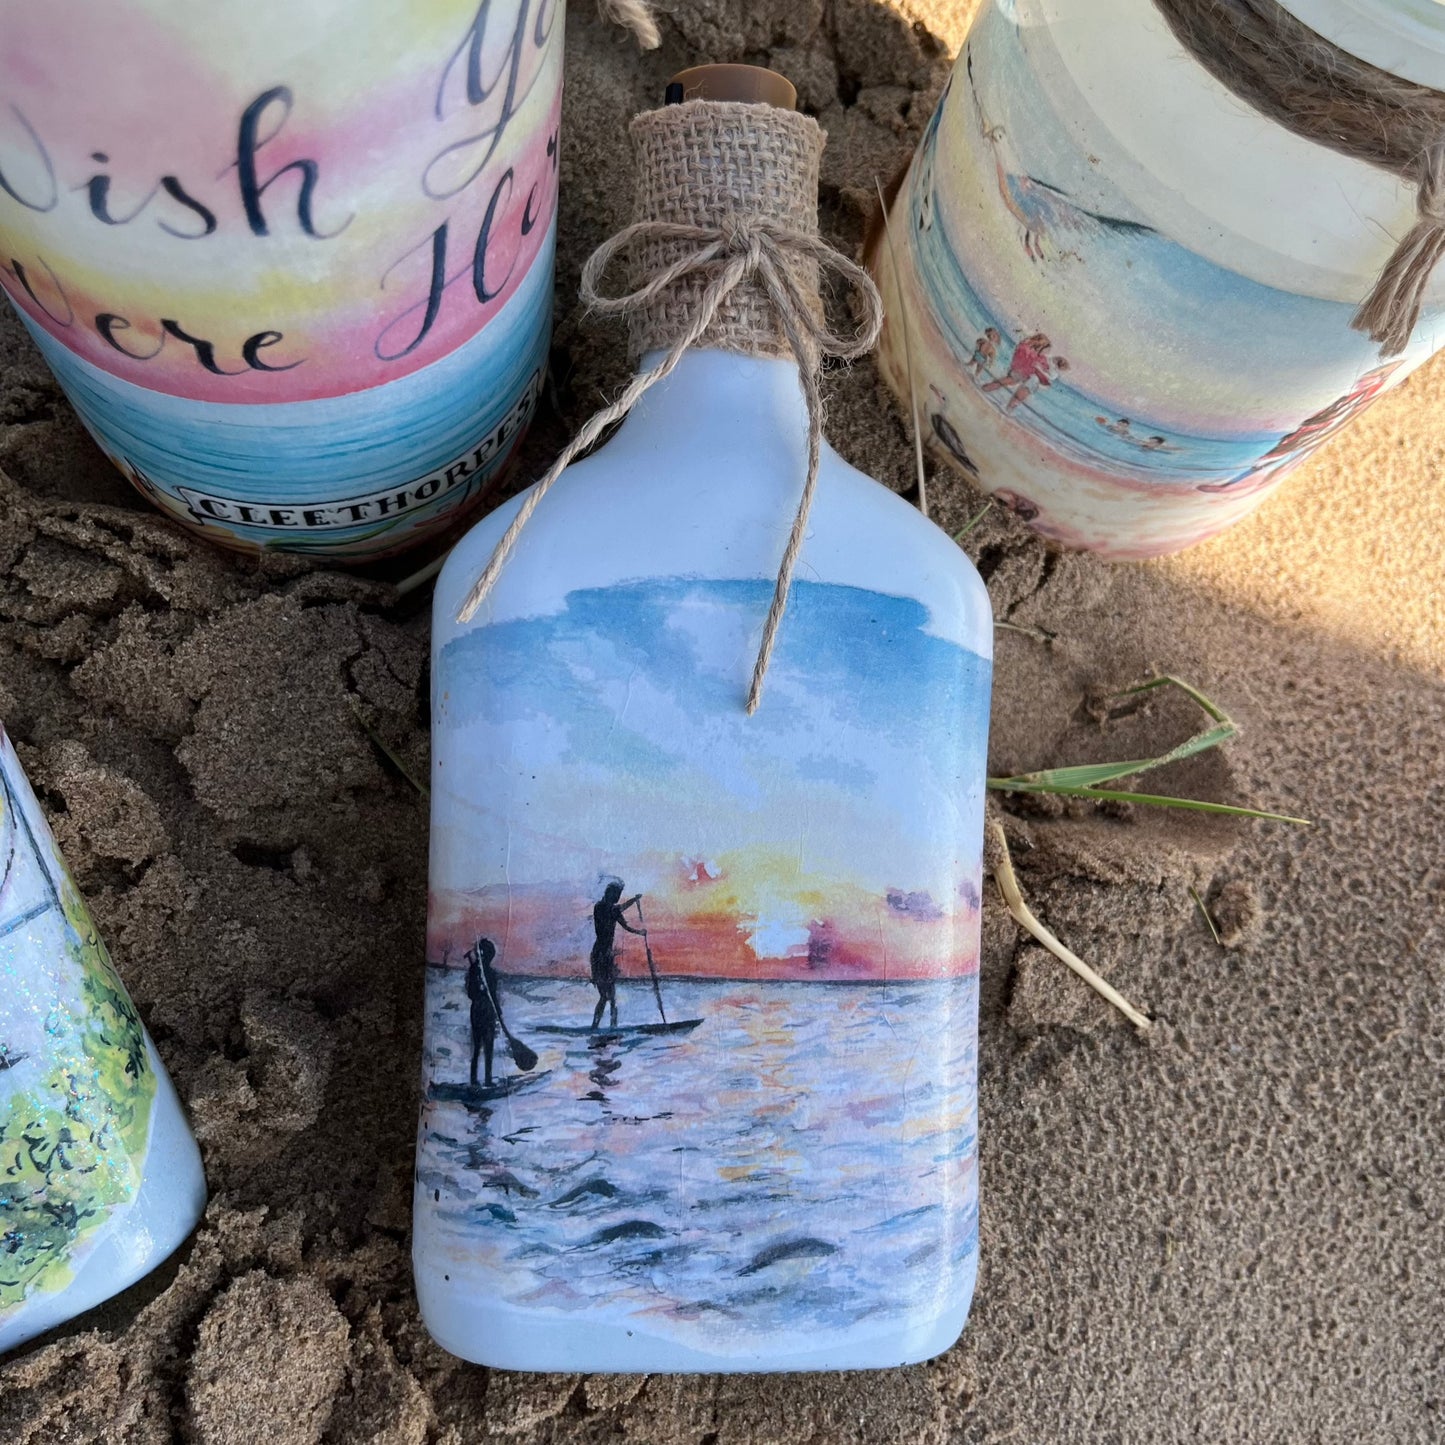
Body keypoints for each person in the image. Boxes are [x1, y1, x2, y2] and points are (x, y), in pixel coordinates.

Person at [590, 881, 643, 1029]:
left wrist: (640, 932)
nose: (617, 898)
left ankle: (613, 1027)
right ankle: (594, 1027)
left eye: (619, 895)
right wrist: (633, 900)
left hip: (607, 956)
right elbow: (618, 911)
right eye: (616, 894)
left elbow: (623, 920)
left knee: (612, 998)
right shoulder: (600, 907)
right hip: (599, 956)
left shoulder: (613, 910)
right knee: (604, 996)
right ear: (608, 893)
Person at [465, 937, 504, 1087]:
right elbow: (470, 993)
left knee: (489, 1047)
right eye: (480, 953)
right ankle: (474, 1081)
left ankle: (488, 1080)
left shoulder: (491, 974)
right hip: (478, 1011)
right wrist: (479, 989)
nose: (482, 956)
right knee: (476, 1047)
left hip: (489, 1011)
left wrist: (498, 1012)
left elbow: (494, 995)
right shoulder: (474, 970)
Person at [982, 333, 1052, 411]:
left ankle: (1009, 408)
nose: (1046, 353)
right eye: (1045, 350)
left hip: (1023, 375)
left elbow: (1045, 368)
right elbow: (1019, 359)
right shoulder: (1027, 349)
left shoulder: (1040, 357)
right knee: (1007, 382)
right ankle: (986, 389)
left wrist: (1045, 375)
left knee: (1020, 389)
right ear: (1040, 346)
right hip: (1018, 372)